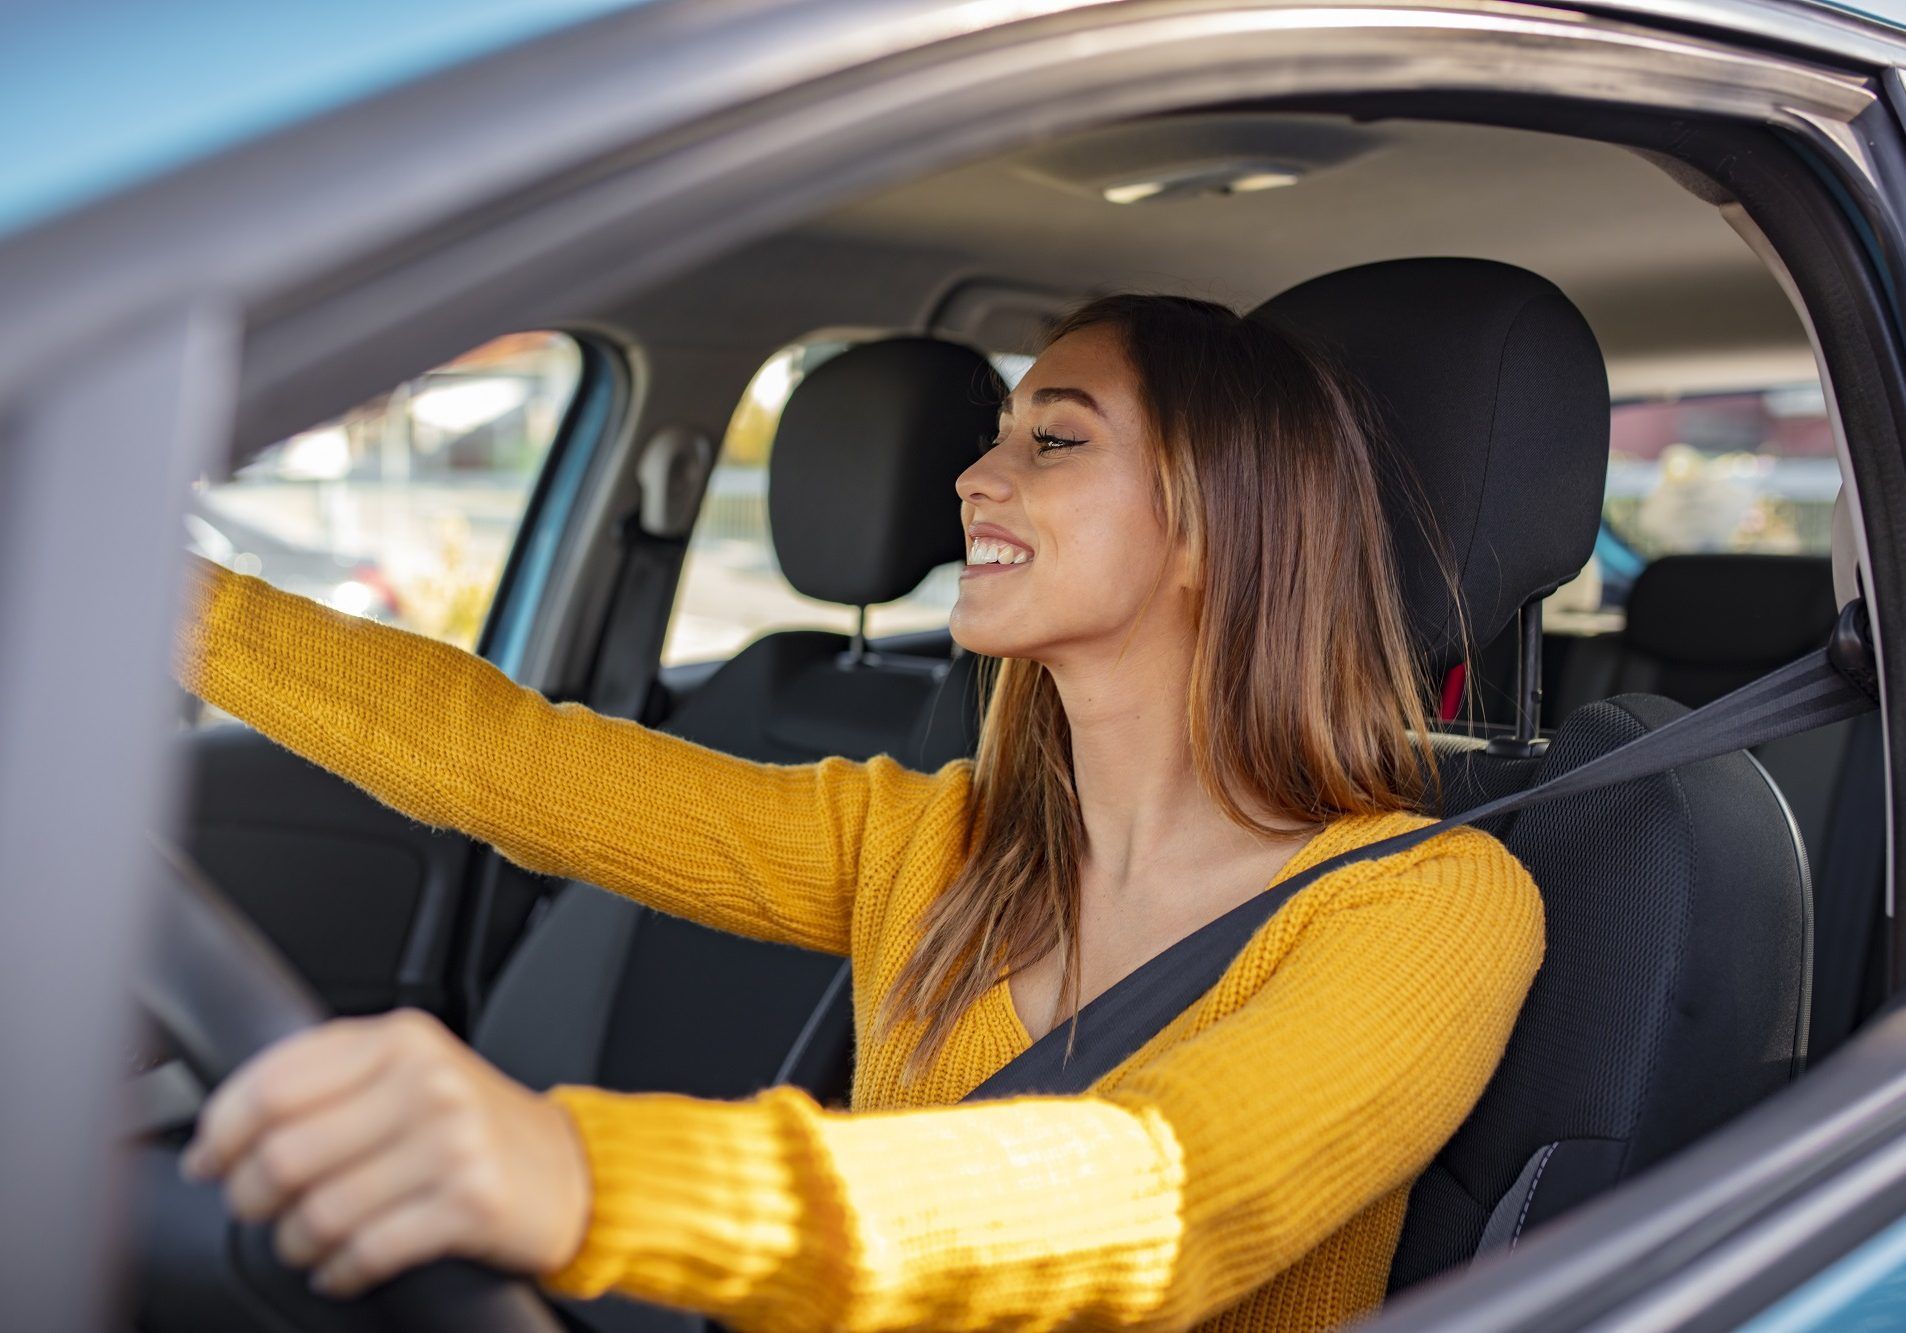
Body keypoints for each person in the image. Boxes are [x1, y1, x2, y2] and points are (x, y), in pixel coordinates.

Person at [174, 295, 1545, 1331]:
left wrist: (580, 1173)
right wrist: (169, 607)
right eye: (994, 436)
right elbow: (512, 764)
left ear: (1214, 523)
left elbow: (1161, 1197)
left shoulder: (1430, 906)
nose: (975, 479)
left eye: (1054, 440)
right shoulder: (931, 845)